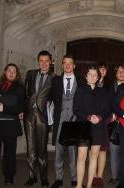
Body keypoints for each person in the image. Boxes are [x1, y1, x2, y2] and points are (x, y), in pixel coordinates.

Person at [0, 63, 25, 186]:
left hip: (10, 126)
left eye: (14, 71)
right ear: (5, 72)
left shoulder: (20, 88)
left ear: (17, 74)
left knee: (10, 153)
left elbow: (21, 107)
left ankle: (9, 177)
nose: (12, 72)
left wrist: (5, 109)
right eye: (9, 70)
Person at [73, 65, 109, 188]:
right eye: (90, 74)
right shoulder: (81, 89)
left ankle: (89, 185)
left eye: (95, 75)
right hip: (83, 126)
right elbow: (76, 109)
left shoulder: (102, 92)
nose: (93, 77)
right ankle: (78, 185)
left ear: (98, 77)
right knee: (81, 157)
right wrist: (89, 117)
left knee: (94, 156)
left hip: (98, 127)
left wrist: (99, 117)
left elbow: (106, 110)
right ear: (86, 76)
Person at [24, 50, 54, 187]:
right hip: (29, 115)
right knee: (31, 148)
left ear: (51, 62)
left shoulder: (55, 77)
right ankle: (32, 176)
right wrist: (23, 110)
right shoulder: (30, 74)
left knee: (42, 150)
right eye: (41, 61)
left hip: (43, 116)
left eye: (46, 61)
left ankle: (43, 178)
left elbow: (55, 97)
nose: (44, 63)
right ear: (38, 61)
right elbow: (25, 93)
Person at [50, 55, 78, 188]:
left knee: (73, 151)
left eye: (70, 63)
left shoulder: (81, 81)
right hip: (59, 120)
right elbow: (48, 96)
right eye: (65, 63)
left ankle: (74, 177)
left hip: (74, 120)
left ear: (74, 66)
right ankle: (58, 178)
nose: (67, 65)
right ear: (62, 65)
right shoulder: (55, 80)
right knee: (59, 151)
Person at [107, 64, 124, 186]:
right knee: (114, 150)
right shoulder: (112, 87)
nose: (120, 73)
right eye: (118, 72)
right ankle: (114, 176)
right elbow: (108, 102)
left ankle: (122, 176)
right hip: (114, 122)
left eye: (123, 71)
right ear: (116, 75)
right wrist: (112, 114)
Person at [92, 62, 111, 187]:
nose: (102, 72)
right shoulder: (91, 82)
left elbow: (112, 102)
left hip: (104, 120)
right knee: (92, 150)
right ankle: (92, 175)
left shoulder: (110, 85)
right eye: (100, 69)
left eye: (104, 69)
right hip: (92, 120)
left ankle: (99, 176)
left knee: (102, 150)